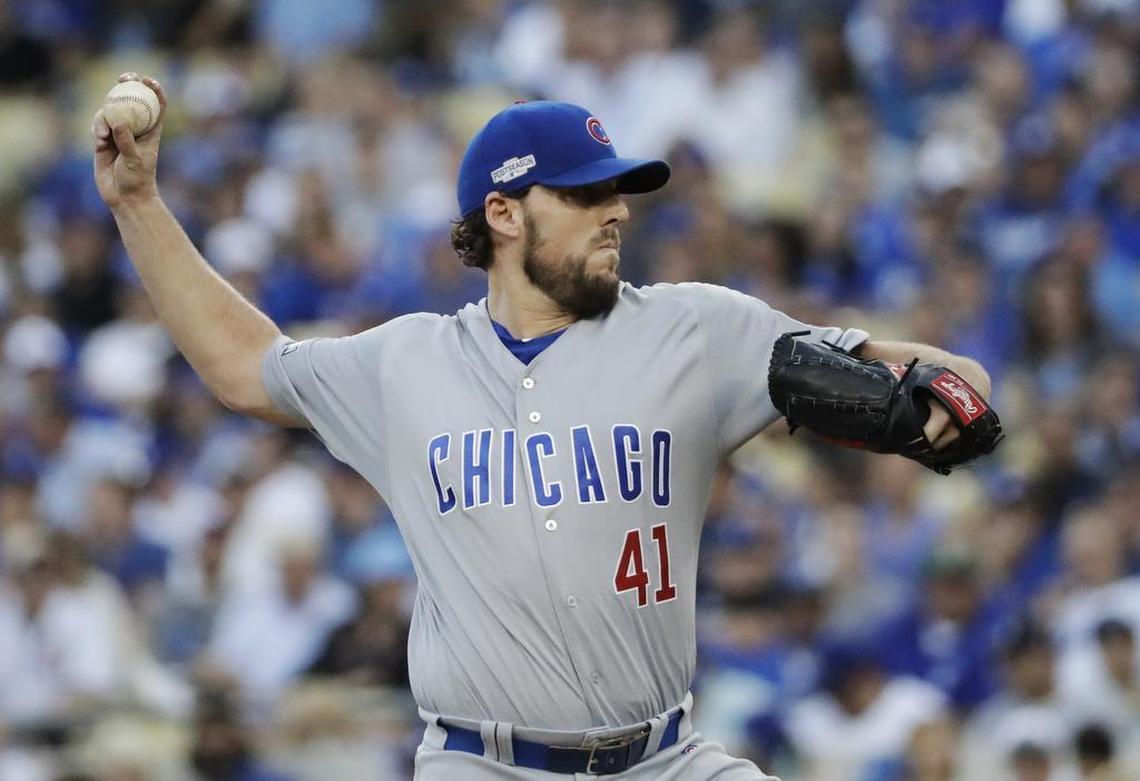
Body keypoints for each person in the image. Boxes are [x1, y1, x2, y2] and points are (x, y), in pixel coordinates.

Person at [92, 72, 992, 780]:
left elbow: (959, 380)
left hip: (668, 758)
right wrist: (137, 202)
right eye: (587, 193)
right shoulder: (405, 366)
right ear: (505, 212)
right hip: (480, 762)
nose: (618, 211)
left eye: (619, 192)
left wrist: (947, 398)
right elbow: (244, 365)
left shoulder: (698, 330)